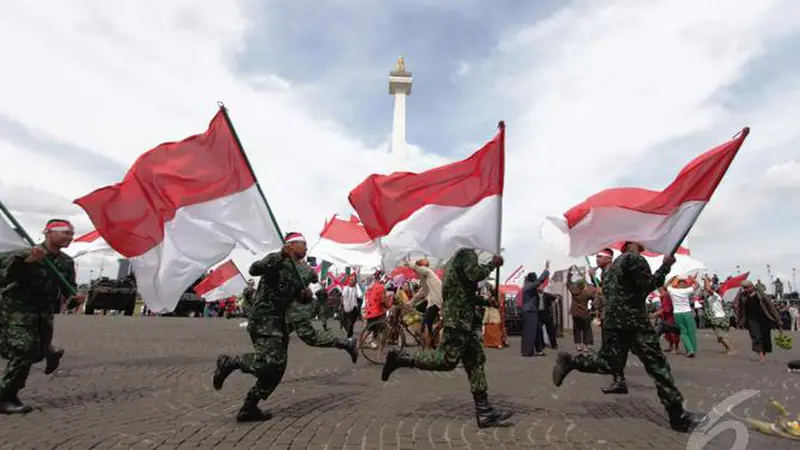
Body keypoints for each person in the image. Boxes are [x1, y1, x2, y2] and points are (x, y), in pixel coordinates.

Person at [552, 242, 705, 432]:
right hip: (634, 323)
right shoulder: (635, 259)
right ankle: (678, 415)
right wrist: (666, 265)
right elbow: (647, 285)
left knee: (609, 363)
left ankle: (572, 362)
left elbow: (608, 292)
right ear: (634, 244)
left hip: (615, 322)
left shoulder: (613, 267)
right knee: (657, 366)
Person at [381, 248, 513, 428]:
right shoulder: (467, 254)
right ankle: (402, 360)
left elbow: (463, 294)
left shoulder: (454, 260)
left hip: (461, 320)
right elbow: (474, 274)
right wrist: (493, 264)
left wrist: (486, 302)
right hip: (458, 321)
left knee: (476, 361)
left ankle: (484, 411)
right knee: (447, 360)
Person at [212, 232, 315, 422]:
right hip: (263, 320)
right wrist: (280, 255)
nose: (306, 248)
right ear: (291, 246)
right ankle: (231, 363)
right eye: (303, 244)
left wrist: (305, 296)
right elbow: (254, 269)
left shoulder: (300, 271)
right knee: (271, 361)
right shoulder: (276, 260)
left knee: (277, 369)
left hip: (279, 323)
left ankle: (249, 407)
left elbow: (294, 296)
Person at [0, 219, 78, 414]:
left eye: (71, 233)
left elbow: (69, 292)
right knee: (24, 350)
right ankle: (5, 397)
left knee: (33, 349)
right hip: (16, 311)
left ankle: (48, 351)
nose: (70, 237)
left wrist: (76, 298)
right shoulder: (23, 254)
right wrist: (26, 263)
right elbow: (4, 277)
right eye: (65, 233)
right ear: (48, 233)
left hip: (43, 314)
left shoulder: (66, 262)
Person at [589, 248, 627, 394]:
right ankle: (617, 377)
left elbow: (607, 293)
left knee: (616, 347)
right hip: (610, 315)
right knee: (611, 347)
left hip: (617, 316)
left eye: (600, 257)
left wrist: (594, 280)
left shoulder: (613, 271)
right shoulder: (605, 272)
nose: (597, 259)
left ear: (609, 258)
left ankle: (618, 379)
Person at [735, 280, 782, 364]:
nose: (745, 290)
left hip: (764, 319)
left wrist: (778, 320)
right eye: (744, 288)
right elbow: (740, 310)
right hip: (751, 319)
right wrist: (739, 321)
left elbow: (771, 307)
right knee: (756, 337)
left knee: (765, 337)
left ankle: (763, 354)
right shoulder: (742, 296)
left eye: (747, 287)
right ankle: (761, 356)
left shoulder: (761, 295)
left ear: (752, 286)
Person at [408, 258, 443, 349]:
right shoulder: (426, 278)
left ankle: (428, 350)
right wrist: (410, 303)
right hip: (433, 302)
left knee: (426, 327)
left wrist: (409, 263)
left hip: (435, 302)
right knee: (425, 324)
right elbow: (421, 293)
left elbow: (419, 269)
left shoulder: (428, 271)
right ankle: (431, 344)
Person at [520, 263, 550, 357]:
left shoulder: (529, 286)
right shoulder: (528, 286)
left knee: (537, 330)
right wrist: (546, 270)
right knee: (530, 331)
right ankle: (527, 351)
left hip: (532, 311)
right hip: (529, 311)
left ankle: (539, 349)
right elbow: (538, 282)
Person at [701, 277, 735, 355]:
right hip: (718, 317)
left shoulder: (715, 296)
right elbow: (706, 290)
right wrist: (706, 282)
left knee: (720, 336)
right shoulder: (711, 297)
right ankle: (728, 349)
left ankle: (731, 349)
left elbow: (708, 289)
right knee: (720, 336)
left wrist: (706, 280)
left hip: (718, 317)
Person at [567, 268, 594, 353]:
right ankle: (585, 347)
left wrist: (569, 274)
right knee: (586, 330)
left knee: (577, 329)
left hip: (575, 313)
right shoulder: (586, 294)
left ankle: (578, 346)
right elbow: (593, 295)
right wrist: (587, 282)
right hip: (584, 313)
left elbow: (568, 283)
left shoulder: (573, 291)